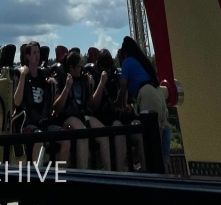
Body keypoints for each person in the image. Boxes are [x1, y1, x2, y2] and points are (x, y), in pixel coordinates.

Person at [119, 36, 172, 171]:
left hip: (147, 94)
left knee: (149, 139)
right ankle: (164, 172)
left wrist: (119, 104)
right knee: (159, 137)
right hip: (157, 93)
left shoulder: (127, 62)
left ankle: (150, 173)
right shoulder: (142, 61)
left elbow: (123, 87)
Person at [52, 49, 110, 169]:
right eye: (78, 67)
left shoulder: (83, 80)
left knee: (104, 133)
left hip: (82, 114)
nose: (80, 69)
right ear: (71, 68)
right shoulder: (62, 80)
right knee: (82, 134)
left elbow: (91, 105)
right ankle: (83, 175)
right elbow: (57, 108)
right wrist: (67, 88)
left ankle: (110, 174)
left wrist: (93, 86)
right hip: (68, 116)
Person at [13, 41, 60, 161]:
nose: (37, 55)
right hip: (28, 122)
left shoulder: (44, 74)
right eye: (34, 53)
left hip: (44, 121)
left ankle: (61, 175)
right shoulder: (21, 75)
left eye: (38, 52)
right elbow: (17, 102)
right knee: (40, 137)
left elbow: (52, 101)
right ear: (27, 56)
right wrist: (23, 76)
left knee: (66, 137)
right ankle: (34, 175)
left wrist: (52, 85)